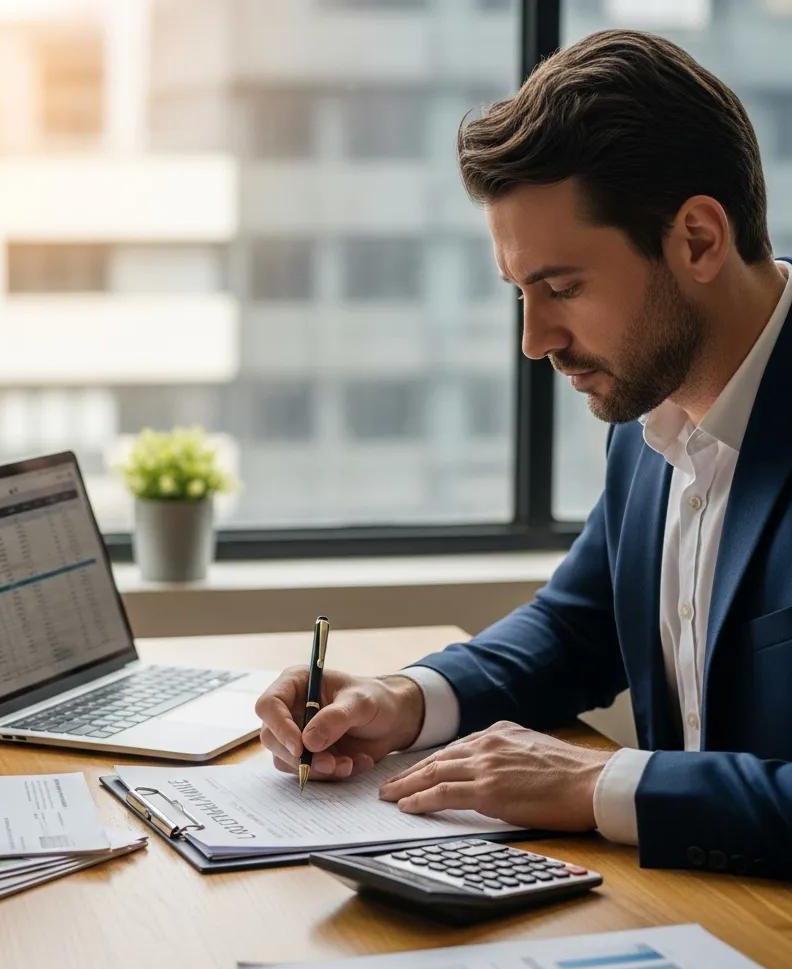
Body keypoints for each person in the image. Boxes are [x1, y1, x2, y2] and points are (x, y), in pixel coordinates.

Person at [255, 29, 792, 880]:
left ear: (697, 239)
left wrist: (597, 783)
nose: (535, 340)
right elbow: (576, 627)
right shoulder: (651, 414)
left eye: (563, 288)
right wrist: (401, 700)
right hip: (696, 908)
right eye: (519, 294)